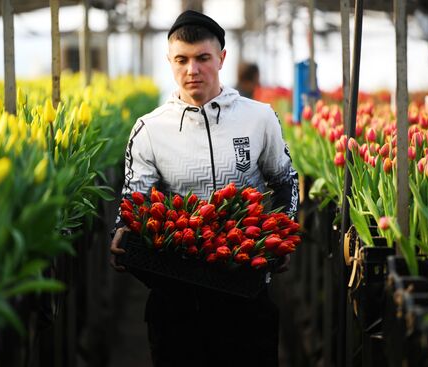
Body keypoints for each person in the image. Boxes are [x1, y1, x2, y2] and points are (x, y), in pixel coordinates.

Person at [110, 9, 299, 367]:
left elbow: (284, 179)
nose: (192, 70)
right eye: (181, 60)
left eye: (203, 58)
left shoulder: (258, 117)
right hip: (174, 293)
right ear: (169, 61)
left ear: (222, 58)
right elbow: (134, 199)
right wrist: (120, 228)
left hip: (245, 288)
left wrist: (282, 235)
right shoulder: (150, 129)